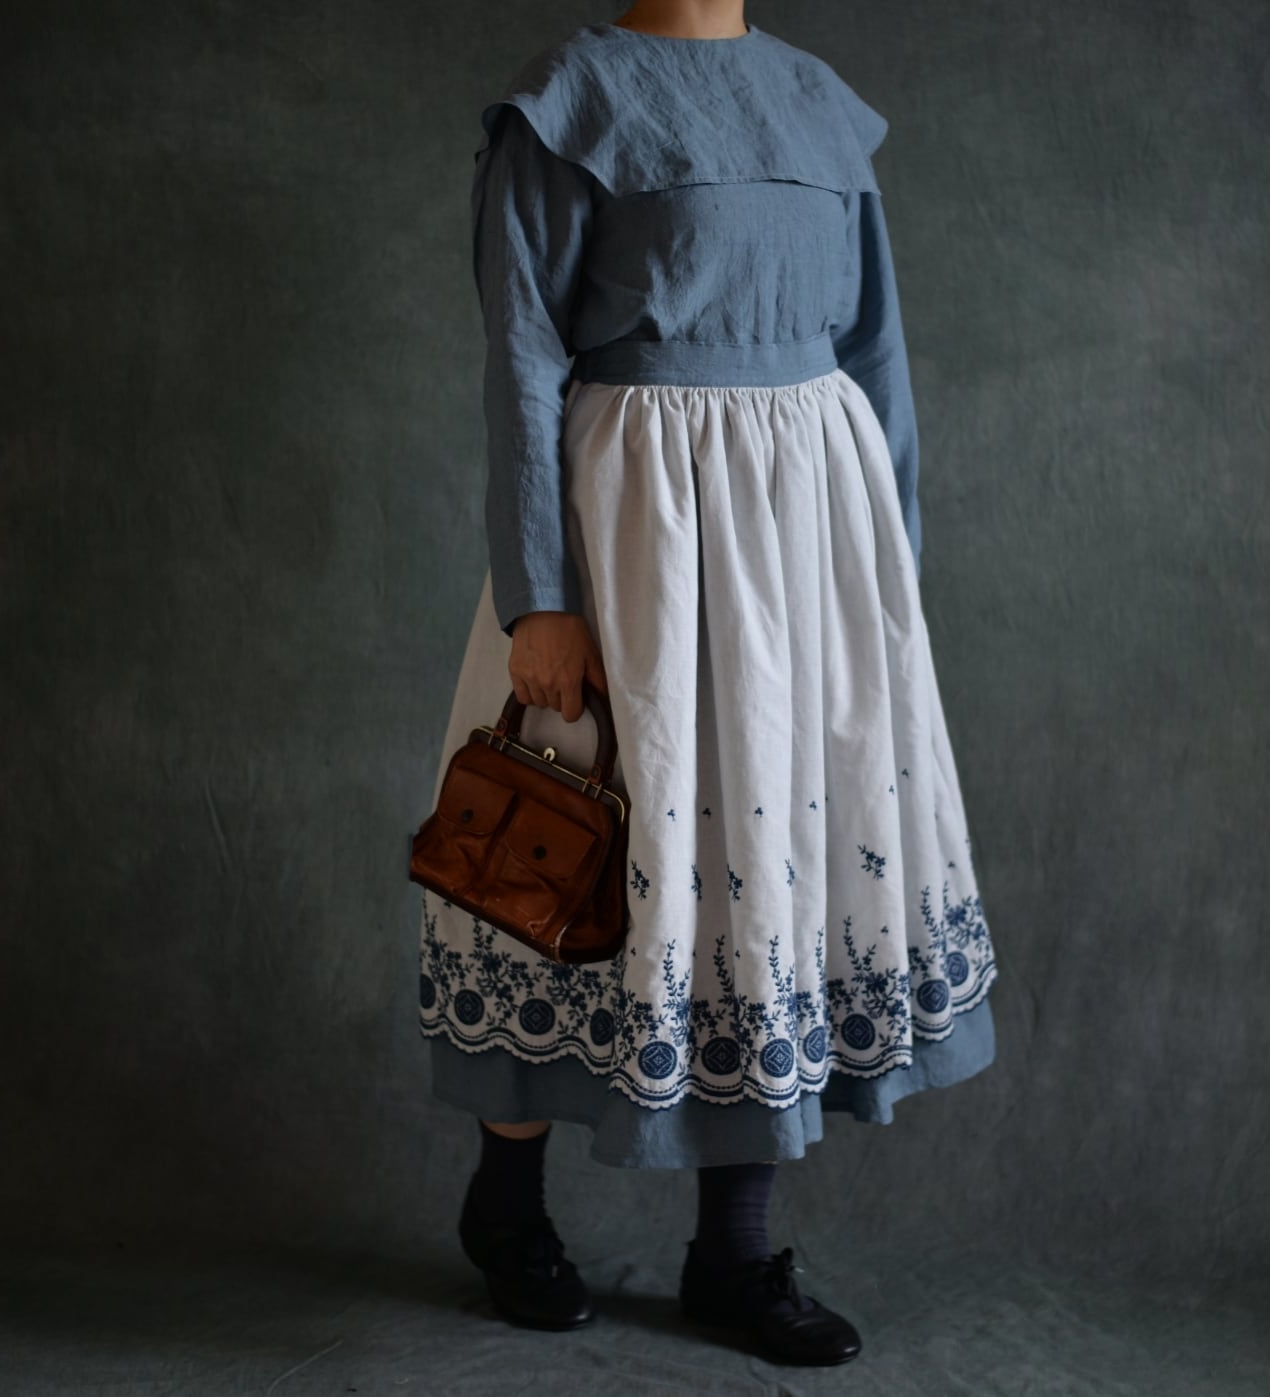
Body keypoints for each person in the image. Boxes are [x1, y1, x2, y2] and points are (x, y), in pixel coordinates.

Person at [415, 1, 1000, 1366]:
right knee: (578, 856)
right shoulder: (568, 101)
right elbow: (520, 359)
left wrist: (886, 573)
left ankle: (732, 1253)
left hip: (808, 537)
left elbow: (875, 349)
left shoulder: (817, 100)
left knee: (768, 858)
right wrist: (540, 597)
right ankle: (508, 1206)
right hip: (638, 525)